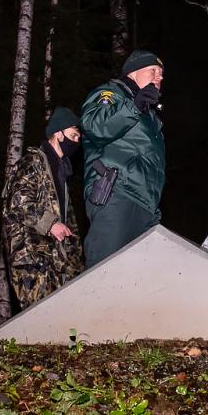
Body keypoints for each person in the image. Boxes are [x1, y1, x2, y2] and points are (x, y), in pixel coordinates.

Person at [80, 50, 166, 267]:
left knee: (137, 284)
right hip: (118, 194)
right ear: (133, 73)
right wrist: (133, 106)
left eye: (161, 74)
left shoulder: (150, 116)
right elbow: (95, 126)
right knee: (103, 272)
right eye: (153, 71)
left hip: (147, 206)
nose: (159, 77)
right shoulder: (111, 93)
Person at [3, 107, 85, 309]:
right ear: (58, 133)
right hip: (32, 258)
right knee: (40, 318)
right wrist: (50, 224)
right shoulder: (33, 162)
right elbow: (18, 202)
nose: (77, 142)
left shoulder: (60, 169)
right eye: (73, 136)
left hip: (56, 259)